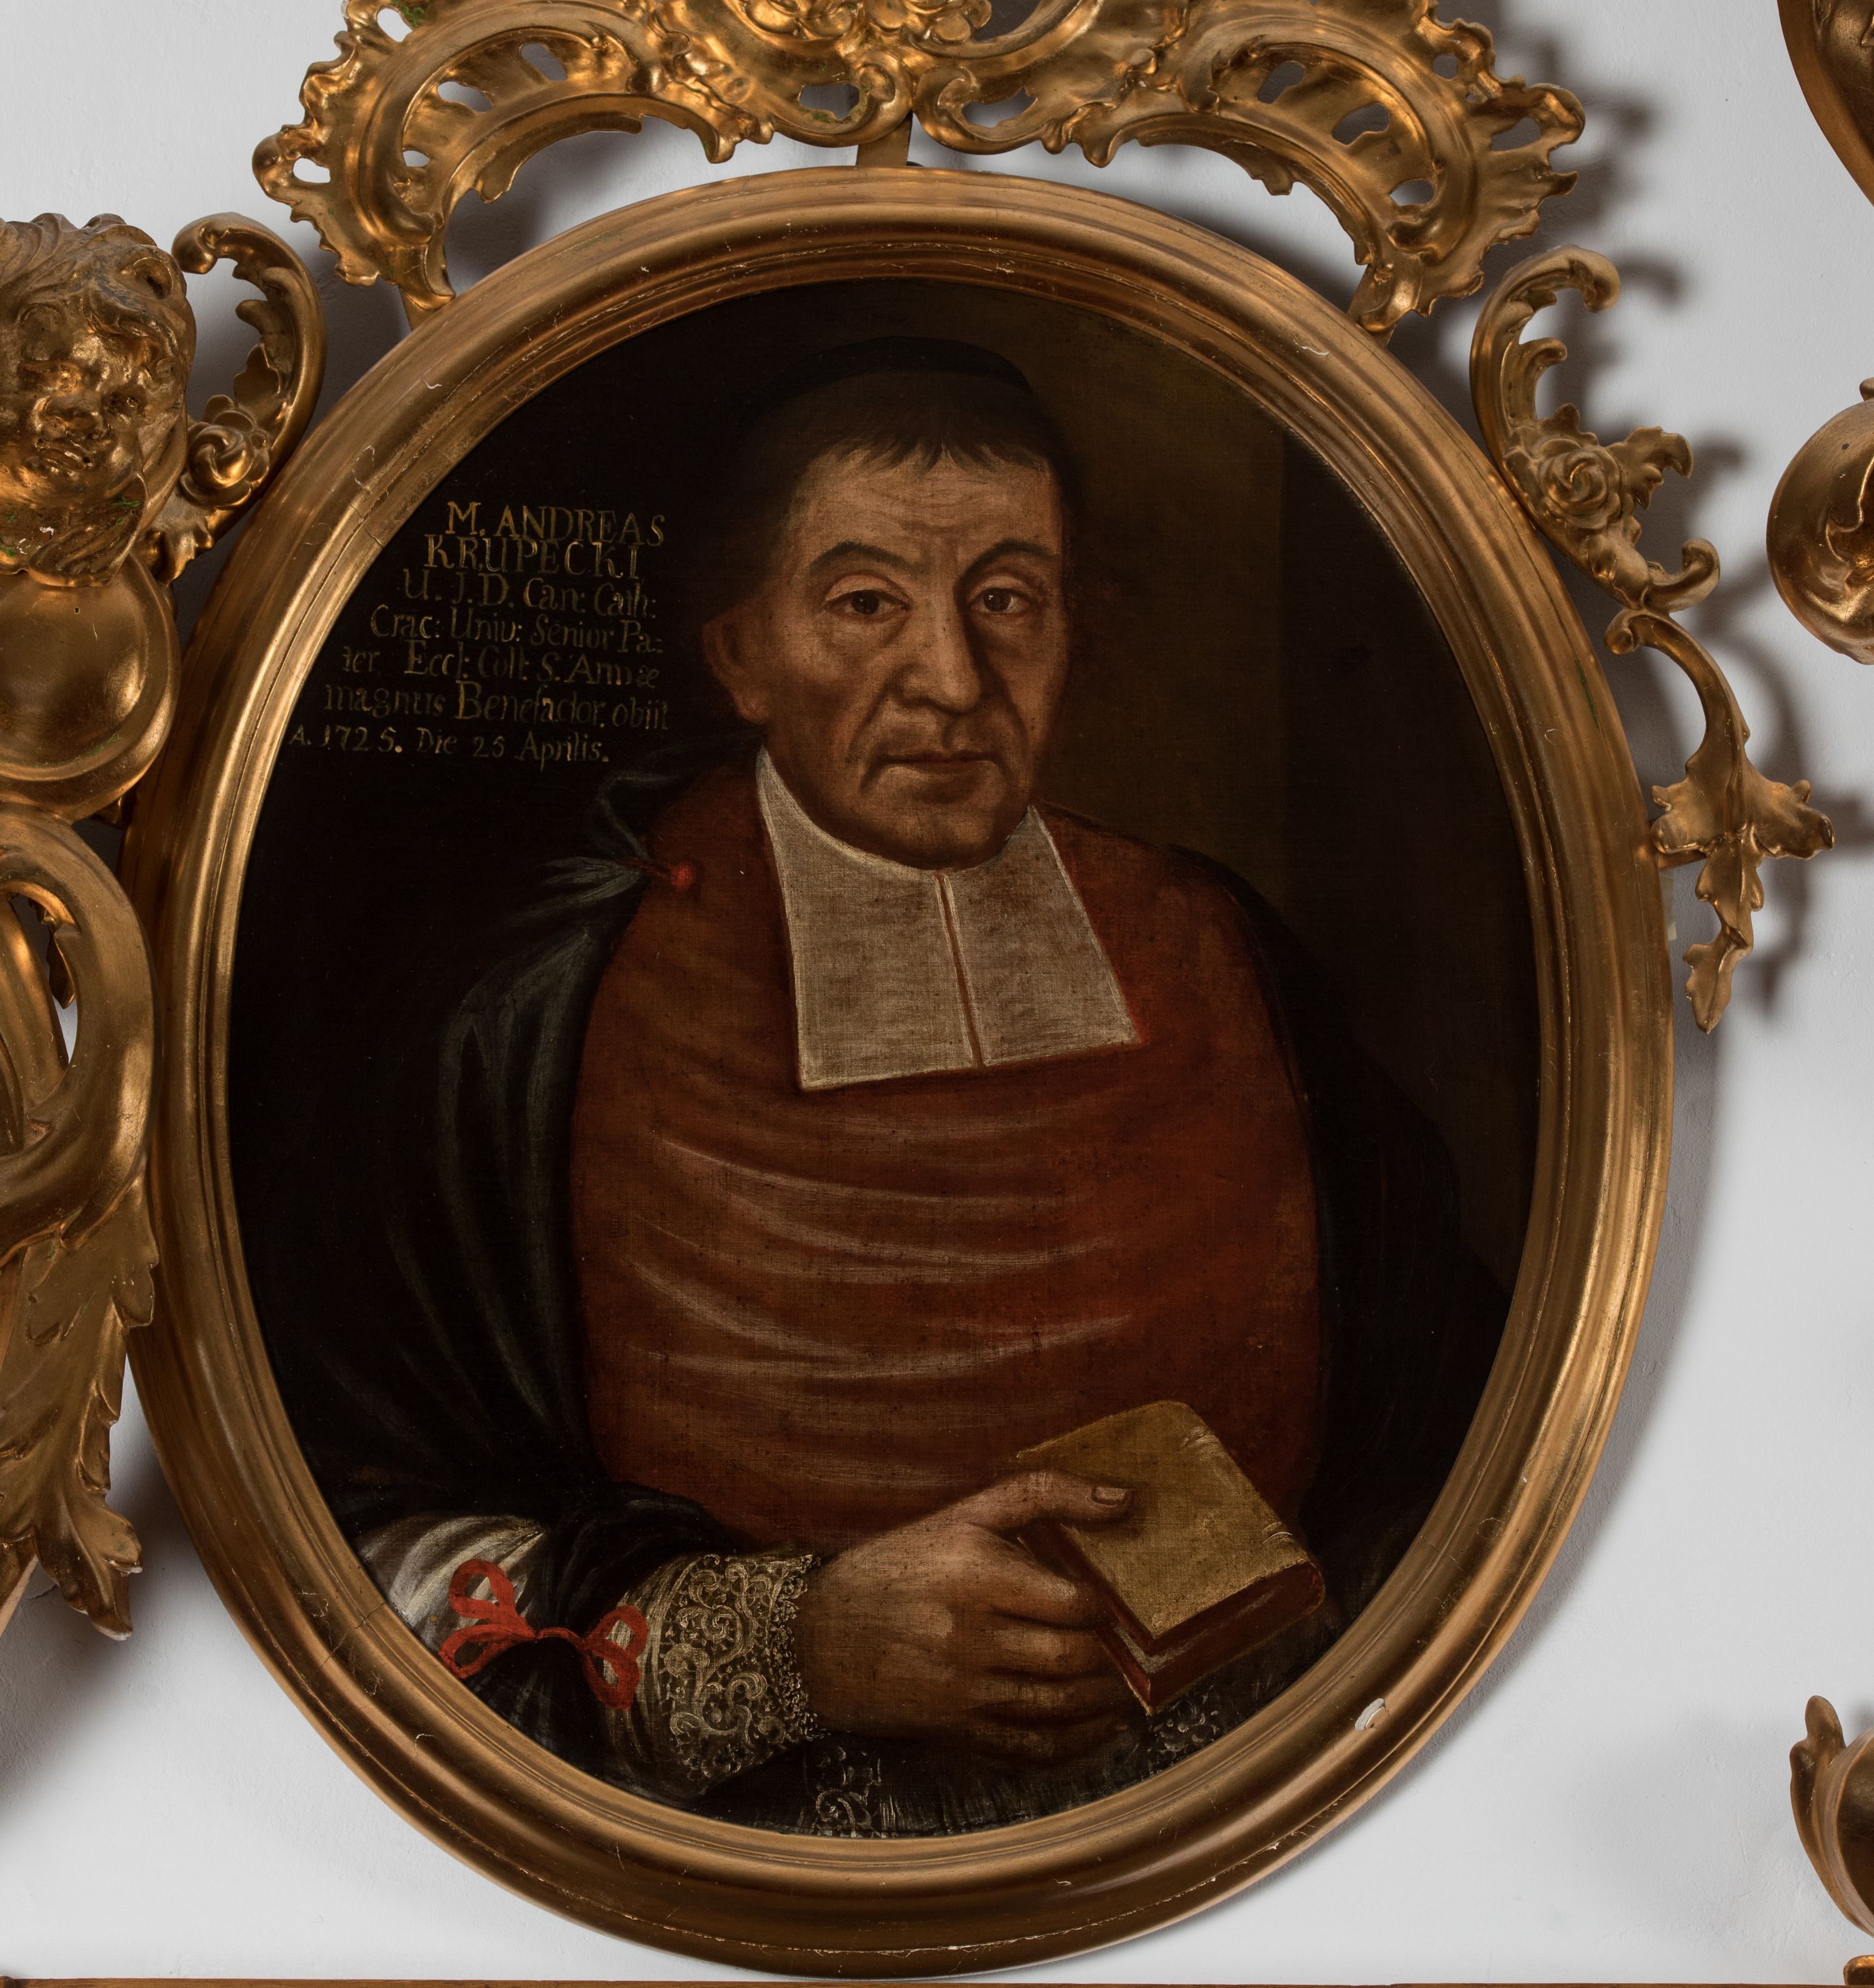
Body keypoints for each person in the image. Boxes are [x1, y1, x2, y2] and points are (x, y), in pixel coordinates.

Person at [259, 338, 1502, 1837]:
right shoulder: (527, 1014)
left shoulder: (1227, 953)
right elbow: (351, 1537)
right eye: (864, 604)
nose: (954, 682)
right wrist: (798, 1646)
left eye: (1008, 600)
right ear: (741, 658)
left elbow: (1446, 1437)